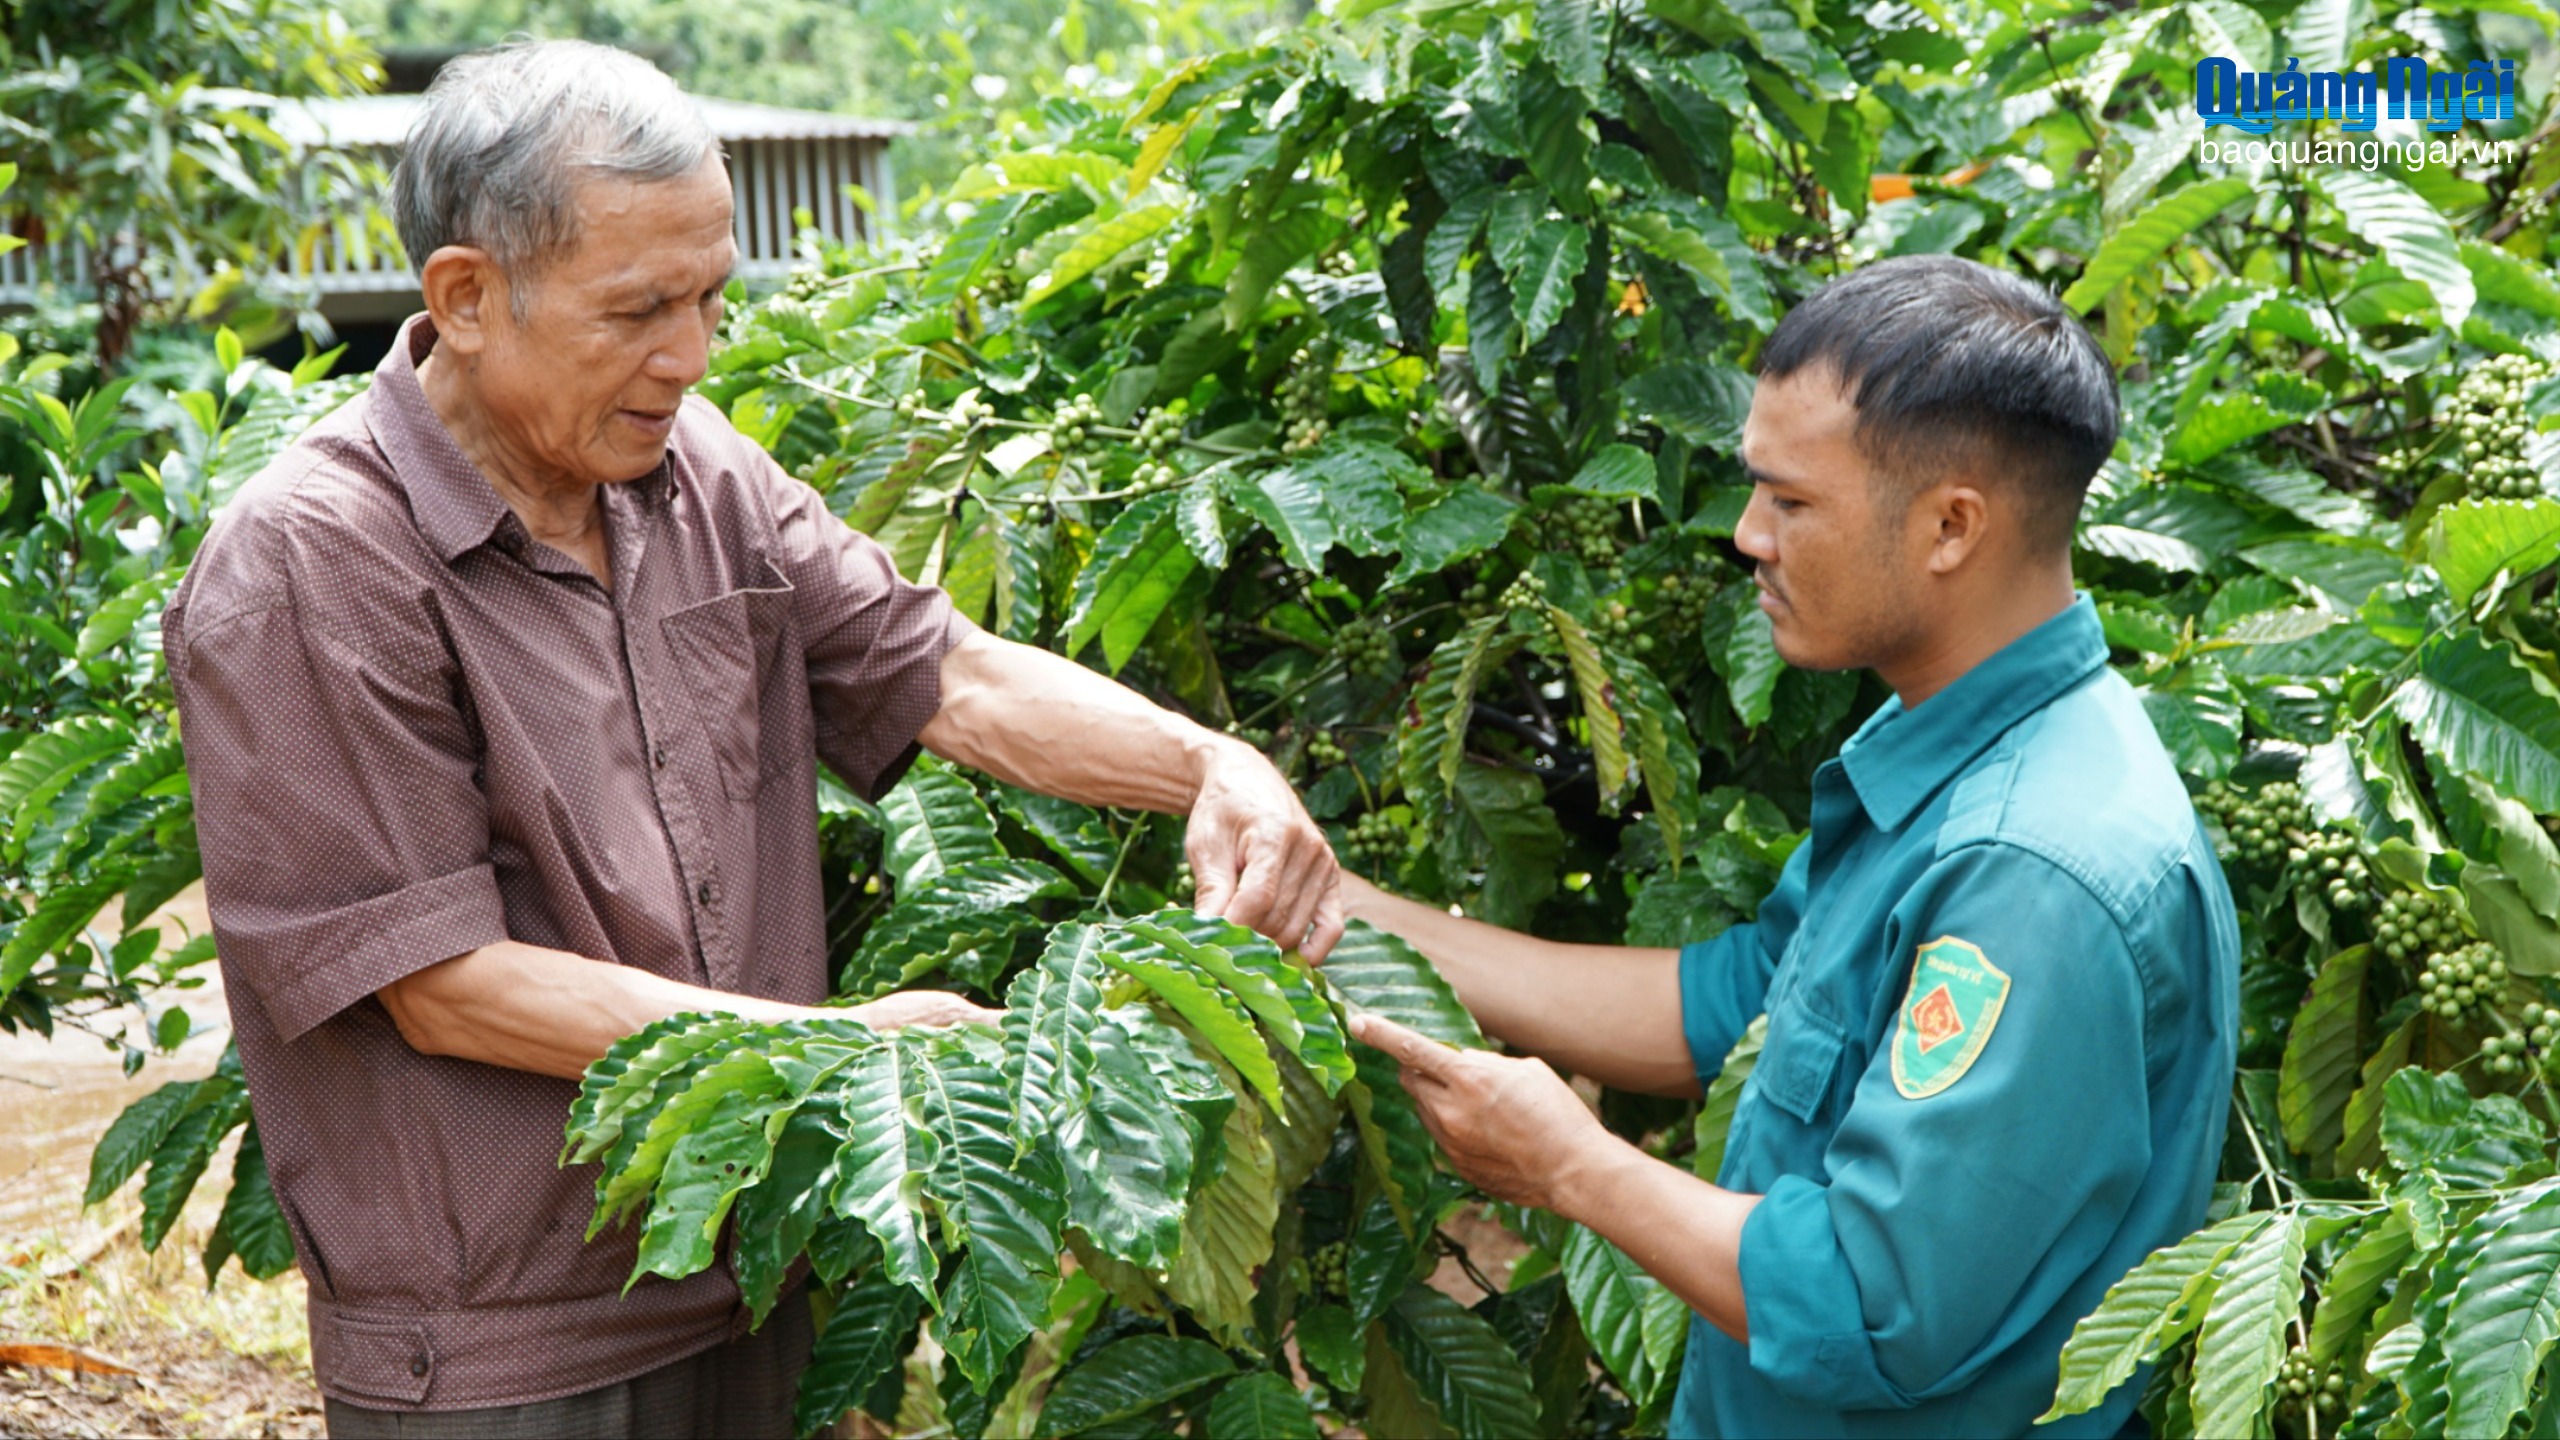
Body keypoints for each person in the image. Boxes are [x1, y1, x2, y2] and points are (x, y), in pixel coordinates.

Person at [165, 39, 1343, 1438]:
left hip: (763, 1278)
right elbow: (441, 984)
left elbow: (942, 671)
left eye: (714, 296)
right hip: (514, 1352)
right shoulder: (315, 563)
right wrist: (850, 1054)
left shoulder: (695, 471)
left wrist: (1211, 763)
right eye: (640, 309)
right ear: (467, 298)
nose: (693, 353)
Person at [1346, 254, 2241, 1438]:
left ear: (1948, 526)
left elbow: (1877, 1301)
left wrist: (1570, 1167)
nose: (1747, 537)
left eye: (1792, 501)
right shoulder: (1951, 746)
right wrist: (1340, 913)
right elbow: (1738, 1006)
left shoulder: (2031, 870)